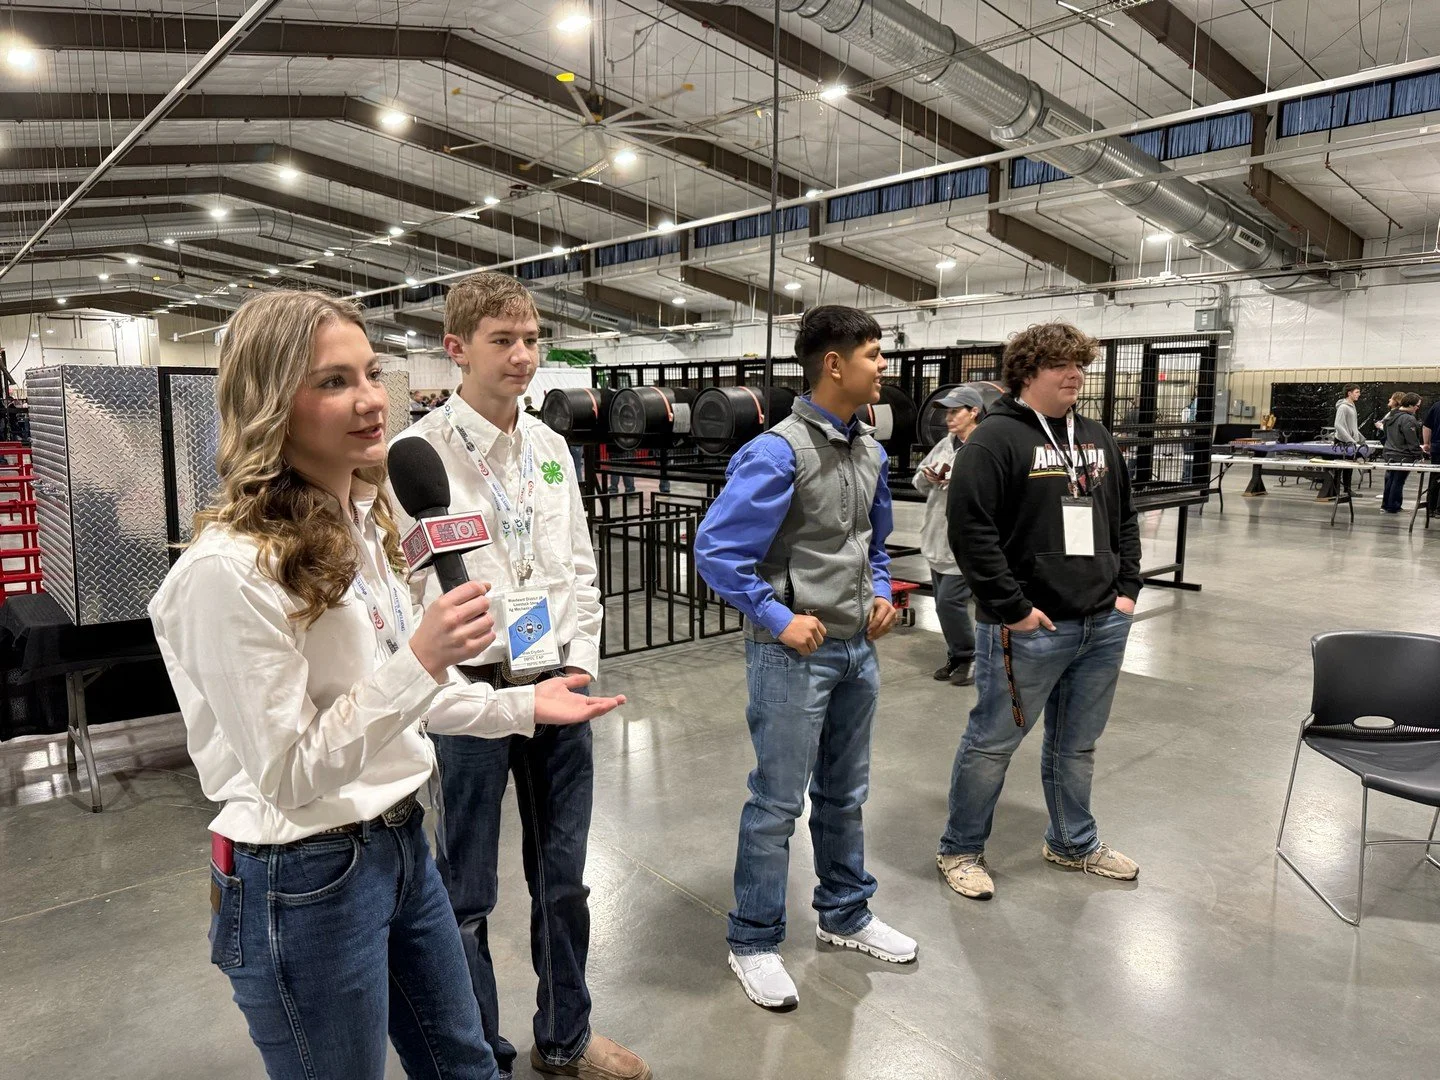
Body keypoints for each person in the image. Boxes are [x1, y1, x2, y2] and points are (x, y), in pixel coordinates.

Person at [149, 290, 622, 1080]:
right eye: (333, 381)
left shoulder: (357, 532)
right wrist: (426, 660)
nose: (371, 399)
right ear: (270, 403)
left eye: (371, 373)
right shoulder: (227, 572)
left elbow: (404, 696)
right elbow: (290, 773)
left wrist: (517, 703)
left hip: (398, 845)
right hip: (301, 877)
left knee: (463, 1066)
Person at [391, 273, 649, 1080]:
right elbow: (410, 590)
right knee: (464, 896)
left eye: (532, 338)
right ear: (457, 347)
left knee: (563, 879)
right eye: (503, 340)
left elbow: (578, 567)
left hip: (555, 683)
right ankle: (481, 1055)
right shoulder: (417, 455)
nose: (523, 355)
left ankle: (565, 1036)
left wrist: (579, 665)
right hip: (471, 694)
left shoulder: (548, 448)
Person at [695, 305, 917, 1012]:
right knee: (776, 803)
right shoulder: (777, 452)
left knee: (846, 793)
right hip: (794, 659)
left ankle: (846, 913)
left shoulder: (870, 451)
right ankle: (754, 939)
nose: (883, 367)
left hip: (857, 652)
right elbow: (717, 552)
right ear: (834, 364)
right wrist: (777, 617)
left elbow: (872, 544)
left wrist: (881, 591)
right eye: (875, 355)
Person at [936, 322, 1141, 902]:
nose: (1075, 373)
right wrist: (1013, 609)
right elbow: (971, 531)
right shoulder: (995, 439)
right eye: (1061, 364)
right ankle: (960, 849)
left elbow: (1123, 516)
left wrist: (1127, 590)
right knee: (992, 743)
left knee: (1077, 744)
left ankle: (1073, 842)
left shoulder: (1097, 436)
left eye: (1080, 363)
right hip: (1029, 628)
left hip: (1102, 622)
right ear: (1028, 372)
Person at [913, 385, 984, 686]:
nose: (949, 419)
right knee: (944, 601)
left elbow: (992, 490)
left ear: (974, 412)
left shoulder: (984, 446)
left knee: (949, 602)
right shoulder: (945, 444)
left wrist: (957, 481)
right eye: (948, 413)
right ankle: (957, 656)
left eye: (956, 412)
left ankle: (969, 655)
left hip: (964, 541)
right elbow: (919, 481)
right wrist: (929, 477)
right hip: (936, 538)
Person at [1380, 392, 1423, 514]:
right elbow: (1412, 440)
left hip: (1389, 453)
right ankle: (1394, 506)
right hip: (1402, 455)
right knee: (1398, 481)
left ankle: (1386, 504)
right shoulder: (1408, 419)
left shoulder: (1391, 416)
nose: (1417, 408)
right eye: (1417, 405)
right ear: (1410, 404)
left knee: (1390, 479)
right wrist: (1418, 454)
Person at [1323, 384, 1362, 501]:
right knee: (1339, 467)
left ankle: (1347, 489)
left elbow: (1352, 425)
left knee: (1349, 467)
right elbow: (1338, 425)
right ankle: (1335, 491)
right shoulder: (1343, 407)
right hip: (1342, 441)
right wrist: (1350, 439)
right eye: (1357, 392)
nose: (1359, 394)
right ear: (1349, 393)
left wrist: (1359, 437)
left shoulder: (1352, 406)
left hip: (1350, 441)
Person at [1422, 395, 1440, 513]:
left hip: (1437, 447)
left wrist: (1426, 444)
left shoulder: (1437, 405)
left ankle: (1431, 507)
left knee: (1435, 477)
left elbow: (1426, 426)